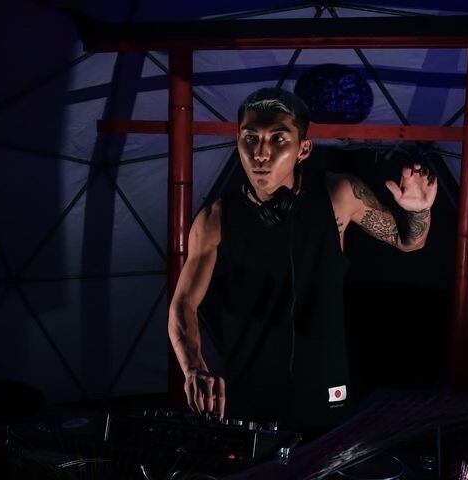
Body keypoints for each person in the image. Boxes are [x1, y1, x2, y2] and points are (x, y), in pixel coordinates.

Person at [168, 87, 437, 434]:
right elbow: (183, 303)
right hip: (249, 393)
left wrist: (419, 212)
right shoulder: (215, 219)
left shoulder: (339, 195)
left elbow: (407, 241)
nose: (261, 153)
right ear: (238, 141)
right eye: (251, 138)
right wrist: (192, 366)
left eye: (278, 139)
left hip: (326, 389)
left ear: (303, 149)